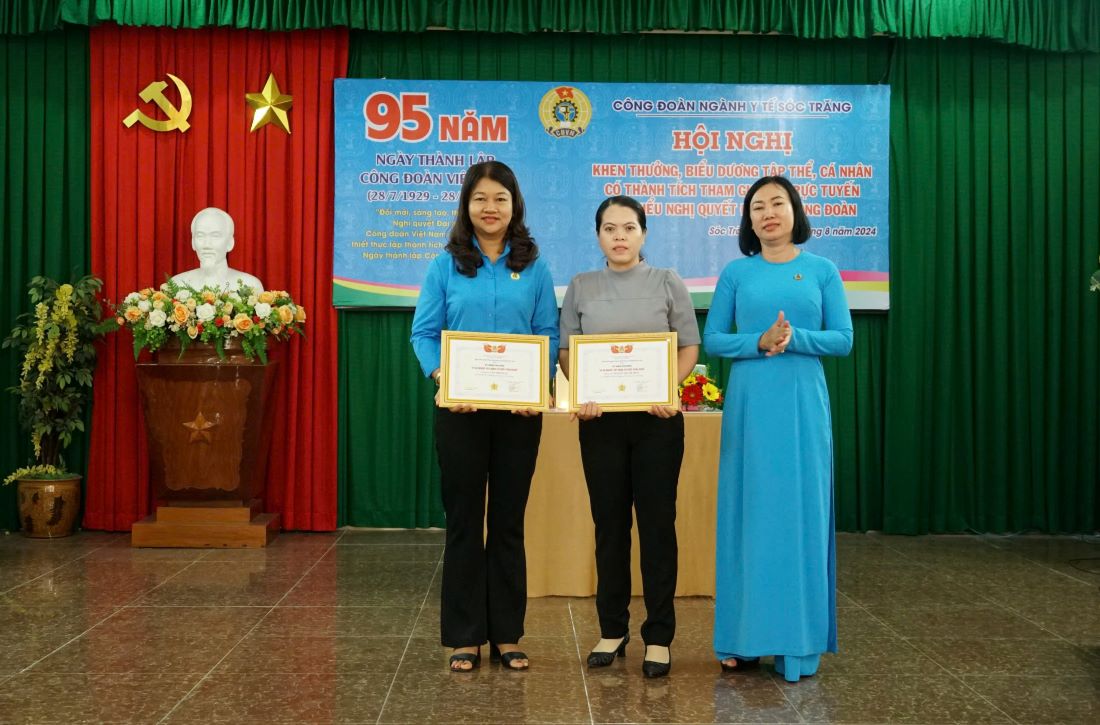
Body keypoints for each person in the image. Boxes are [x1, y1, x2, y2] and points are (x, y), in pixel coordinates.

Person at [410, 161, 558, 672]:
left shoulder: (535, 266)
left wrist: (537, 386)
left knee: (510, 522)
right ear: (466, 206)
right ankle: (465, 636)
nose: (490, 208)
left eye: (500, 198)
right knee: (465, 522)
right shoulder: (443, 265)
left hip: (519, 413)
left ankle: (507, 634)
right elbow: (423, 335)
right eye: (480, 199)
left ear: (514, 204)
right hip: (461, 411)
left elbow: (547, 333)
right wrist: (443, 381)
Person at [703, 176, 853, 682]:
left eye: (778, 204)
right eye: (758, 207)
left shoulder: (822, 270)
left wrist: (795, 337)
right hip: (750, 403)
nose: (768, 213)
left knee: (800, 514)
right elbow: (713, 340)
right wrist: (758, 341)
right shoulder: (736, 273)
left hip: (803, 403)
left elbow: (844, 339)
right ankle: (742, 640)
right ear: (748, 220)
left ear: (795, 212)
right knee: (749, 513)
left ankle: (798, 645)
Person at [559, 195, 699, 678]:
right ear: (597, 235)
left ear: (643, 234)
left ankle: (659, 635)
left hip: (657, 421)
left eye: (629, 228)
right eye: (609, 228)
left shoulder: (667, 281)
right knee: (610, 527)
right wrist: (584, 391)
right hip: (601, 424)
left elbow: (688, 345)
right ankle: (612, 629)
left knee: (658, 527)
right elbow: (566, 353)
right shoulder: (580, 286)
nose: (619, 236)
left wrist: (669, 387)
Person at [172, 207, 264, 292]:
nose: (207, 244)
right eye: (200, 236)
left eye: (215, 236)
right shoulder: (177, 284)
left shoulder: (250, 285)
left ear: (230, 243)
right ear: (193, 242)